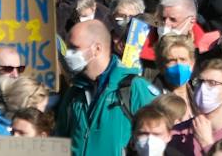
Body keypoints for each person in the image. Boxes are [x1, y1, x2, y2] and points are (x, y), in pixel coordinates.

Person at [54, 19, 156, 156]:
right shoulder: (74, 92)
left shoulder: (134, 88)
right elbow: (60, 141)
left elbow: (156, 141)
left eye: (74, 48)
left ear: (97, 49)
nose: (68, 54)